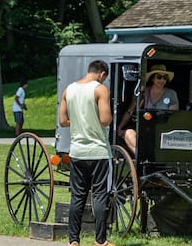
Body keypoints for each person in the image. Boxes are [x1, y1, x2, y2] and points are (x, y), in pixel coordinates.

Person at [58, 60, 112, 246]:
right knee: (100, 196)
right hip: (98, 151)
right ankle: (100, 241)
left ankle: (73, 240)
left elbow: (63, 120)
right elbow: (105, 120)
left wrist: (80, 121)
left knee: (77, 197)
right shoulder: (100, 89)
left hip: (77, 151)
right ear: (102, 74)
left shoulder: (69, 89)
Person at [118, 64, 179, 155]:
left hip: (163, 130)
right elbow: (131, 110)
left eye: (165, 78)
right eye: (159, 77)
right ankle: (142, 158)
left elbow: (173, 115)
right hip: (145, 130)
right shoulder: (144, 92)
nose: (162, 80)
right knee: (128, 133)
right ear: (152, 78)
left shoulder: (171, 93)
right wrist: (119, 127)